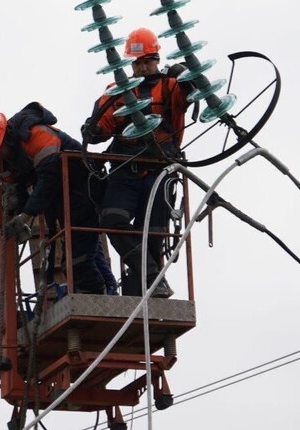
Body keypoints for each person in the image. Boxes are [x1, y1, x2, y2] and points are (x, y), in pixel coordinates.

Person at [81, 27, 194, 298]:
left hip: (160, 168)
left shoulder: (170, 85)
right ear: (131, 64)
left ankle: (150, 283)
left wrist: (186, 75)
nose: (143, 67)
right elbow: (102, 125)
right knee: (111, 218)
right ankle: (152, 277)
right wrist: (93, 130)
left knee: (154, 232)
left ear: (156, 59)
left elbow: (190, 93)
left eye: (148, 61)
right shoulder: (116, 92)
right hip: (126, 168)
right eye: (139, 63)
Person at [0, 102, 107, 294]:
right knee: (76, 251)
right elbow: (19, 186)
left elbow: (50, 177)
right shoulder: (8, 154)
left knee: (79, 256)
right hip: (62, 197)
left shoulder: (36, 135)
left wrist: (26, 215)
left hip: (82, 189)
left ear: (7, 136)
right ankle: (97, 291)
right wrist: (19, 215)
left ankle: (98, 295)